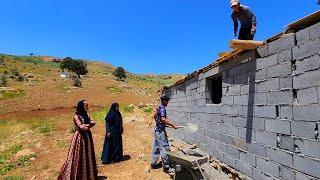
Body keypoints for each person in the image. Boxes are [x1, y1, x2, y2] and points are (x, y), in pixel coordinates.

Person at [58, 100, 98, 179]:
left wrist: (87, 125)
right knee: (78, 156)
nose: (87, 106)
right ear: (81, 106)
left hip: (87, 137)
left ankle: (88, 176)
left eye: (87, 105)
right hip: (79, 137)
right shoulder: (76, 116)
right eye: (86, 105)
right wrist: (88, 125)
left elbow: (93, 122)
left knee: (88, 155)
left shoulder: (86, 114)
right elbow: (81, 127)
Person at [150, 95, 178, 173]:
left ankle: (153, 164)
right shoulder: (162, 108)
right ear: (164, 101)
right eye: (167, 101)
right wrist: (172, 125)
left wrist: (160, 124)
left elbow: (155, 116)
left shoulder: (159, 107)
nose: (167, 103)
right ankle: (166, 167)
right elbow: (163, 119)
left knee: (156, 147)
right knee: (165, 148)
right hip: (160, 132)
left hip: (157, 130)